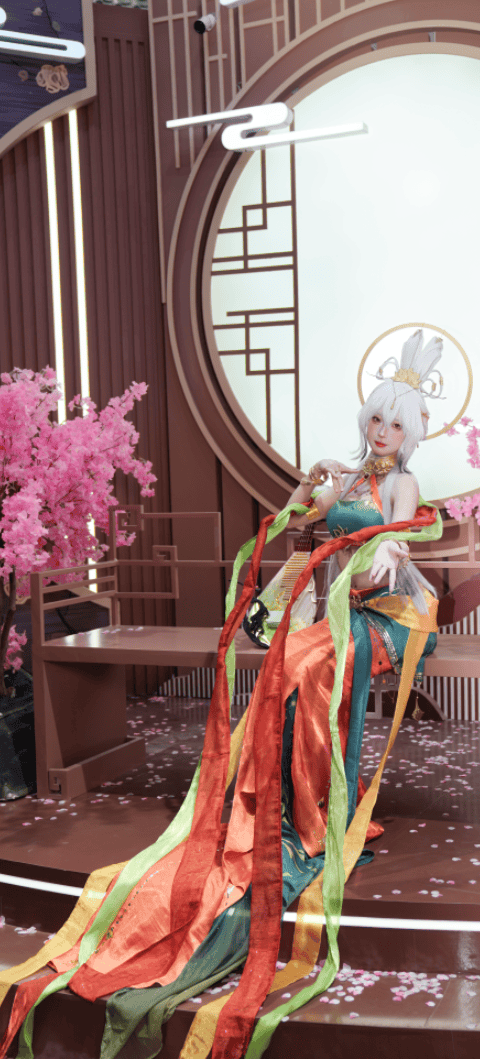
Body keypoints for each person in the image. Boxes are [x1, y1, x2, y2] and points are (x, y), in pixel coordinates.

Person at [0, 331, 445, 1059]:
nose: (382, 432)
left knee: (307, 662)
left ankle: (322, 805)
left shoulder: (402, 485)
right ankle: (288, 790)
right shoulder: (348, 476)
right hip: (337, 609)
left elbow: (393, 551)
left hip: (389, 614)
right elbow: (301, 520)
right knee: (287, 660)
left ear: (413, 431)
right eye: (375, 418)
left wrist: (382, 552)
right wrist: (308, 487)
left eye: (396, 423)